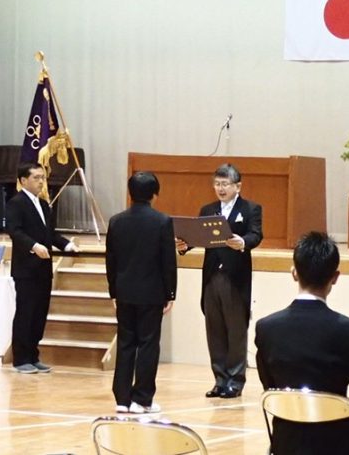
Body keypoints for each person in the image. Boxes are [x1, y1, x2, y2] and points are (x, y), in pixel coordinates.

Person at [254, 231, 349, 455]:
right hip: (338, 444)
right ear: (335, 277)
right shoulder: (347, 330)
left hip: (287, 441)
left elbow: (270, 386)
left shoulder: (266, 328)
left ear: (294, 273)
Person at [176, 163, 262, 398]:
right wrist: (185, 245)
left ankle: (235, 381)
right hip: (212, 276)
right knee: (214, 329)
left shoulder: (250, 208)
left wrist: (242, 242)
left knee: (235, 330)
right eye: (217, 184)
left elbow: (256, 234)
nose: (220, 188)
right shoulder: (208, 209)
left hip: (235, 277)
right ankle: (219, 379)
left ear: (238, 186)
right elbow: (198, 236)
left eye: (225, 184)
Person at [106, 171, 177, 414]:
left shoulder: (116, 221)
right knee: (148, 344)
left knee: (126, 343)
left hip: (124, 292)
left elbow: (111, 260)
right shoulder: (162, 221)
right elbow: (168, 262)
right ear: (155, 194)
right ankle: (142, 398)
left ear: (130, 193)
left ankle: (122, 399)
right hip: (151, 293)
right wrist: (171, 293)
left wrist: (113, 291)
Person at [5, 162, 78, 373]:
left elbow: (50, 234)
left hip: (43, 268)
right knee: (26, 312)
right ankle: (20, 358)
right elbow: (14, 231)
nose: (40, 181)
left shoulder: (44, 204)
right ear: (22, 180)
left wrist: (66, 244)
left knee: (39, 312)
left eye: (42, 178)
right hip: (26, 269)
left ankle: (33, 354)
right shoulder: (16, 203)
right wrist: (33, 246)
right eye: (36, 177)